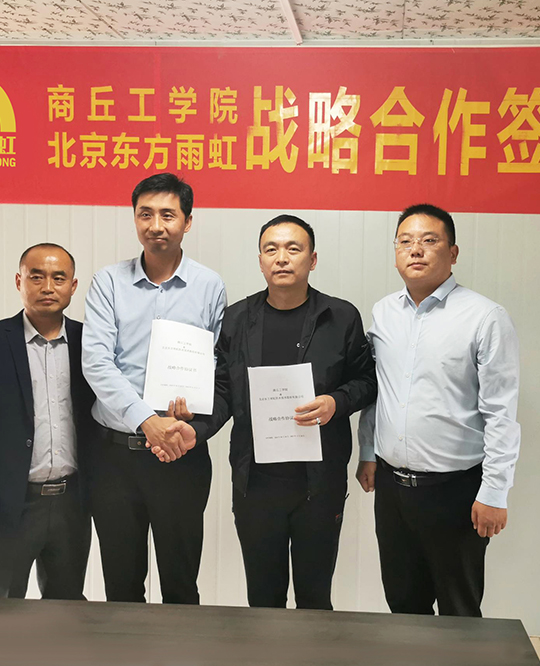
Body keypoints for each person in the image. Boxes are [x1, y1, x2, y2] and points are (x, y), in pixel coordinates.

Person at [165, 215, 376, 610]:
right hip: (256, 485)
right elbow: (224, 391)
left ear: (313, 260)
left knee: (315, 599)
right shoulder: (237, 319)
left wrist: (336, 402)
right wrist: (198, 429)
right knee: (263, 601)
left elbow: (367, 381)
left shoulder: (341, 317)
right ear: (260, 261)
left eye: (293, 249)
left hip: (319, 485)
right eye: (271, 249)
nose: (282, 258)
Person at [356, 204, 521, 617]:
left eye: (429, 241)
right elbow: (378, 391)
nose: (416, 250)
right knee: (403, 605)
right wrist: (368, 452)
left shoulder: (485, 317)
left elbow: (501, 412)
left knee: (459, 611)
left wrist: (495, 492)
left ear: (453, 252)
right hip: (392, 490)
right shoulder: (383, 313)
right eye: (405, 241)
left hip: (456, 491)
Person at [82, 173, 226, 604]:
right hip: (114, 458)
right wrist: (147, 420)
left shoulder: (209, 285)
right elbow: (96, 363)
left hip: (180, 456)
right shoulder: (108, 282)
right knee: (122, 588)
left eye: (168, 215)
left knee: (181, 586)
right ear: (134, 219)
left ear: (188, 221)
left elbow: (216, 366)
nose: (156, 225)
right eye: (145, 214)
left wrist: (192, 414)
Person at [0, 243, 94, 599]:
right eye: (36, 277)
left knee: (66, 608)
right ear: (19, 281)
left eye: (58, 278)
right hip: (9, 504)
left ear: (73, 286)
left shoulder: (90, 342)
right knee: (1, 608)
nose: (48, 287)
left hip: (72, 503)